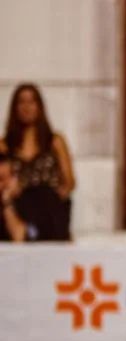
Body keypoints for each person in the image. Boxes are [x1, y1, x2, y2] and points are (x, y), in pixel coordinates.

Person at [1, 83, 74, 241]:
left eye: (32, 102)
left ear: (39, 106)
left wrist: (54, 201)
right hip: (19, 209)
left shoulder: (54, 141)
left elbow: (69, 182)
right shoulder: (5, 145)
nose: (27, 107)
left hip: (48, 208)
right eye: (21, 102)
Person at [0, 153, 27, 242]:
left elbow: (19, 237)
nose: (7, 183)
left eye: (11, 175)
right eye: (1, 178)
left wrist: (7, 201)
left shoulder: (33, 200)